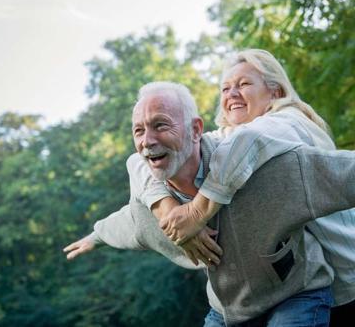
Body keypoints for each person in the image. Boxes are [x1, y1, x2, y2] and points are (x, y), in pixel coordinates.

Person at [64, 81, 355, 327]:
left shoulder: (268, 172)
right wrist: (96, 235)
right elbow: (126, 224)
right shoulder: (152, 208)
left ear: (195, 130)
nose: (147, 141)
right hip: (229, 310)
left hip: (298, 293)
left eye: (160, 125)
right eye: (138, 131)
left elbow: (341, 173)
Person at [148, 50, 355, 326]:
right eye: (225, 88)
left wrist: (195, 214)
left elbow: (249, 141)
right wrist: (167, 209)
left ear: (275, 92)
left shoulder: (290, 122)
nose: (232, 93)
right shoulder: (232, 137)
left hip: (343, 277)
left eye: (243, 84)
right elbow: (143, 160)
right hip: (296, 286)